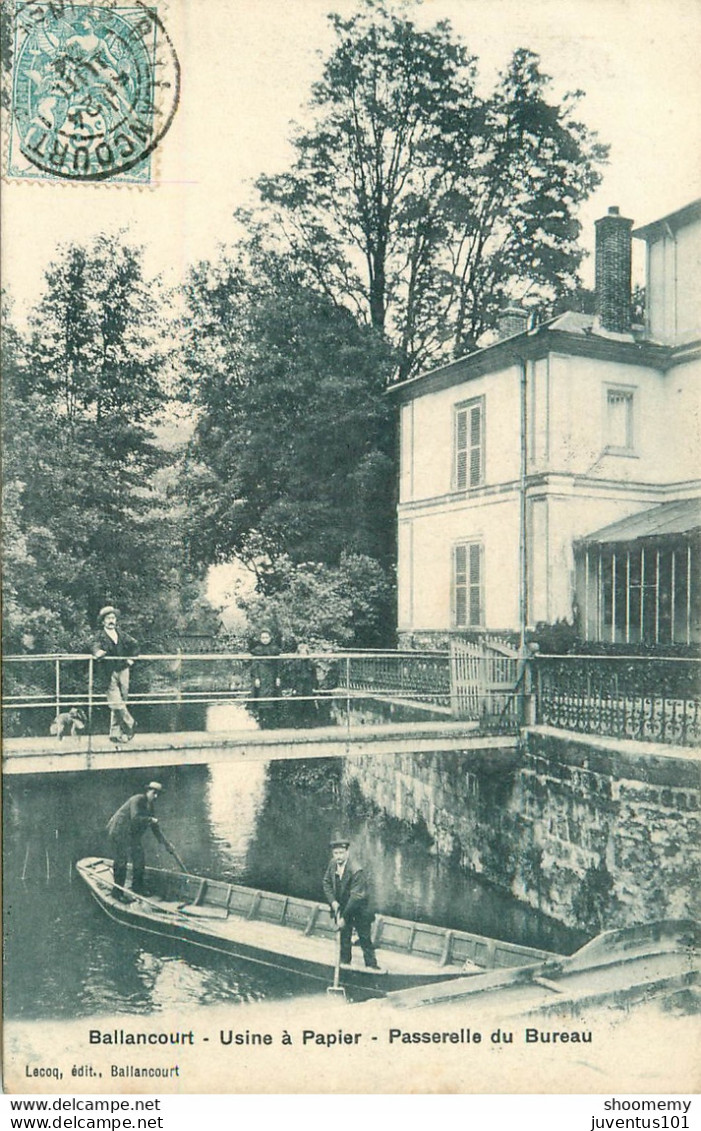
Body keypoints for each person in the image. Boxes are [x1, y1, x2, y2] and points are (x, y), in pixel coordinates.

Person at [322, 832, 380, 969]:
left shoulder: (356, 870)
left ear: (347, 852)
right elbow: (326, 882)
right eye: (336, 853)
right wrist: (333, 902)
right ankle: (345, 965)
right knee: (344, 938)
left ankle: (372, 967)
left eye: (341, 853)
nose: (339, 857)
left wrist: (343, 918)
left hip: (360, 911)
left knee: (365, 939)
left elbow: (356, 897)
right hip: (343, 908)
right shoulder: (333, 864)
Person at [106, 782, 168, 899]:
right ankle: (117, 893)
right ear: (148, 791)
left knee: (139, 858)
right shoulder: (138, 799)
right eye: (154, 793)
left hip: (131, 835)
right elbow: (135, 818)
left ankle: (137, 887)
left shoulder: (150, 806)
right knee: (121, 862)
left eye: (158, 794)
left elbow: (155, 828)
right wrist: (150, 819)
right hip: (119, 831)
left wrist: (166, 844)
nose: (156, 797)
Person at [91, 606, 138, 743]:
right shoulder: (100, 635)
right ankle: (130, 723)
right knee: (115, 700)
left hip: (123, 669)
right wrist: (97, 652)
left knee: (122, 698)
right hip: (108, 671)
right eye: (108, 618)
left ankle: (115, 733)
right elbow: (94, 645)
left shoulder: (121, 634)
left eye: (113, 618)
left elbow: (135, 645)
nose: (111, 621)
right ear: (103, 621)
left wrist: (131, 659)